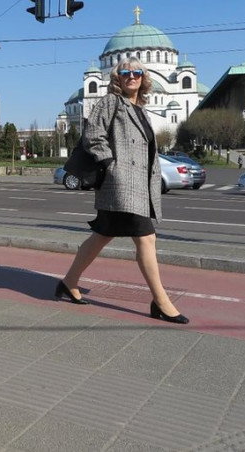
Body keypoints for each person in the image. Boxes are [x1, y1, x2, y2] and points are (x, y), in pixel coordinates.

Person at [54, 57, 189, 324]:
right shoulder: (109, 102)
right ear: (117, 77)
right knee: (146, 238)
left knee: (101, 236)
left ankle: (68, 282)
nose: (131, 76)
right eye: (125, 72)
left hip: (139, 184)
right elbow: (93, 134)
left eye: (137, 72)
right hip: (121, 184)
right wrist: (110, 164)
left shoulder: (139, 107)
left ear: (143, 77)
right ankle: (161, 301)